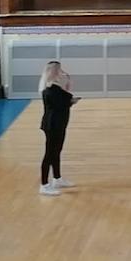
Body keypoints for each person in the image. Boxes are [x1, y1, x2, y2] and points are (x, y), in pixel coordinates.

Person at [39, 61, 74, 196]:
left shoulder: (55, 88)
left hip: (59, 123)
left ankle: (57, 178)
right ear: (54, 72)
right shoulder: (51, 89)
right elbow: (66, 99)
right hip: (52, 125)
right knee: (49, 154)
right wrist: (68, 88)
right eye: (59, 70)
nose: (61, 72)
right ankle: (44, 184)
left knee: (57, 151)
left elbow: (65, 100)